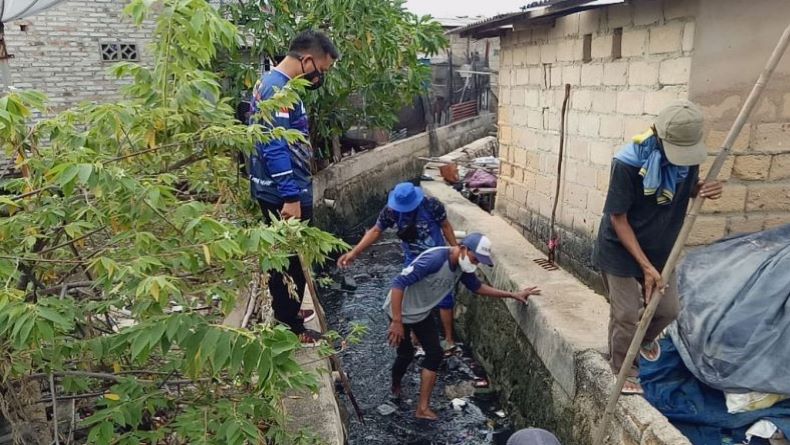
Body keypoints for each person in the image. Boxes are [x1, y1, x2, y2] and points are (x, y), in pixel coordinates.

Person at [593, 101, 723, 394]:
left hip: (662, 245)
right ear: (660, 137)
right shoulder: (627, 164)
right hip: (621, 247)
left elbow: (684, 189)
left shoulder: (686, 158)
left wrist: (701, 189)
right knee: (626, 314)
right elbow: (618, 218)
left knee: (668, 309)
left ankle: (642, 341)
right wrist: (646, 268)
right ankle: (623, 367)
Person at [384, 232, 541, 420]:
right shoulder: (434, 260)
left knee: (435, 354)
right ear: (464, 249)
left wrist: (512, 295)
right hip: (399, 311)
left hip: (421, 314)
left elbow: (478, 287)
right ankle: (396, 385)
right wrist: (397, 321)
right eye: (475, 259)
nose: (475, 264)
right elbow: (398, 283)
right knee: (406, 354)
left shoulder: (462, 268)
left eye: (478, 262)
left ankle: (422, 408)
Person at [248, 30, 339, 345]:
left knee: (285, 258)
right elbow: (274, 147)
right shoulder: (277, 90)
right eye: (322, 70)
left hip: (278, 189)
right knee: (290, 262)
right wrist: (291, 197)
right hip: (284, 193)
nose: (320, 77)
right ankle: (291, 329)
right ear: (308, 60)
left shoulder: (272, 84)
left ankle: (288, 312)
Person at [338, 182, 461, 351]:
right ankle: (415, 339)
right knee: (411, 298)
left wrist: (455, 251)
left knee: (445, 298)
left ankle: (449, 340)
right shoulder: (391, 211)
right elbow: (376, 231)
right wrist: (354, 252)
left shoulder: (432, 205)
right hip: (413, 260)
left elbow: (445, 226)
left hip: (438, 258)